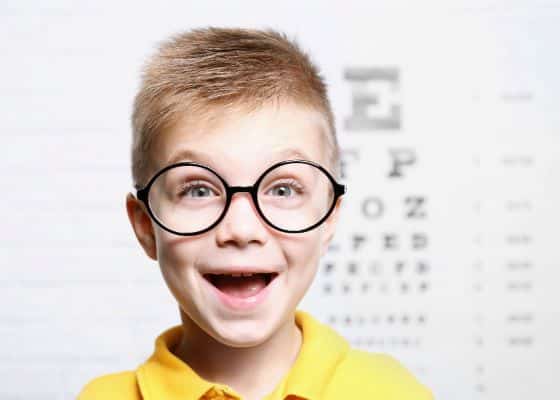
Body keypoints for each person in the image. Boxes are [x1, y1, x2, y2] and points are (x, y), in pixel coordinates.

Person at [77, 26, 434, 400]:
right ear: (146, 226)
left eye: (282, 189)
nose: (242, 229)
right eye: (199, 190)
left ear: (329, 217)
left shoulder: (389, 391)